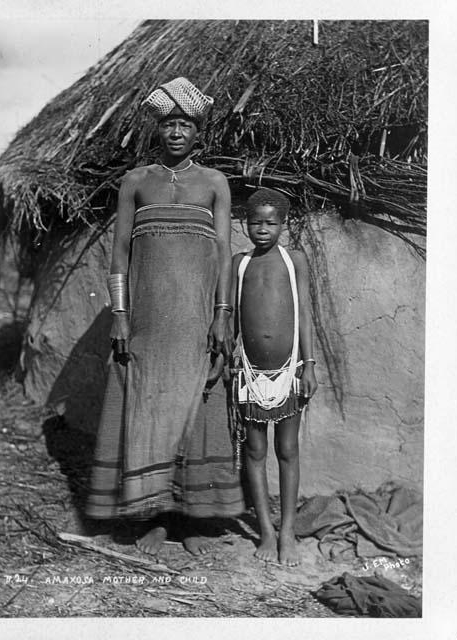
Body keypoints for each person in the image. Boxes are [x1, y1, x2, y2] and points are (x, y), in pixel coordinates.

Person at [86, 77, 244, 555]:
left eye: (185, 125)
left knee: (197, 410)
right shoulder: (135, 181)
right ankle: (153, 517)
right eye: (169, 124)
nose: (176, 132)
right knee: (146, 410)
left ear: (198, 132)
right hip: (148, 324)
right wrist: (119, 315)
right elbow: (117, 257)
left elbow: (222, 252)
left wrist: (221, 314)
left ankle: (193, 519)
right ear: (158, 129)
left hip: (195, 322)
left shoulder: (214, 182)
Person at [231, 188, 318, 566]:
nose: (262, 229)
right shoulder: (240, 263)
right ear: (244, 224)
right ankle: (265, 530)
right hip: (250, 372)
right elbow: (232, 315)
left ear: (284, 224)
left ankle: (287, 533)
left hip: (290, 370)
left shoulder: (294, 259)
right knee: (253, 451)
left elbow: (305, 315)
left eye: (270, 222)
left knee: (287, 450)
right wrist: (230, 357)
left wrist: (310, 364)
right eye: (255, 222)